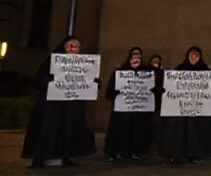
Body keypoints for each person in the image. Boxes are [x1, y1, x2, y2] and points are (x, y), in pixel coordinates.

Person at [22, 35, 96, 168]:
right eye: (71, 46)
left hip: (70, 105)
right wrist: (49, 80)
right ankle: (40, 159)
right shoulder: (51, 61)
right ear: (64, 46)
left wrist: (94, 83)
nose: (74, 49)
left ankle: (65, 156)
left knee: (67, 130)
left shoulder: (83, 64)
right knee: (48, 130)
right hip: (51, 105)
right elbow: (38, 81)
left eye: (77, 47)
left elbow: (86, 81)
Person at [159, 46, 211, 165]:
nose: (193, 58)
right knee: (178, 132)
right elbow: (171, 85)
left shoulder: (206, 71)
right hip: (180, 109)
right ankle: (174, 155)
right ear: (187, 56)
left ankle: (194, 155)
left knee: (196, 132)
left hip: (198, 108)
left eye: (196, 56)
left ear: (200, 57)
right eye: (191, 55)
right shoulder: (179, 69)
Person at [104, 46, 154, 161]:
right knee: (120, 130)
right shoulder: (119, 73)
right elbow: (109, 92)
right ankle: (116, 152)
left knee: (136, 130)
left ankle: (134, 151)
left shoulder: (147, 74)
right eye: (134, 54)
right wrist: (116, 92)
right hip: (122, 110)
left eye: (138, 54)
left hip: (138, 110)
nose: (136, 57)